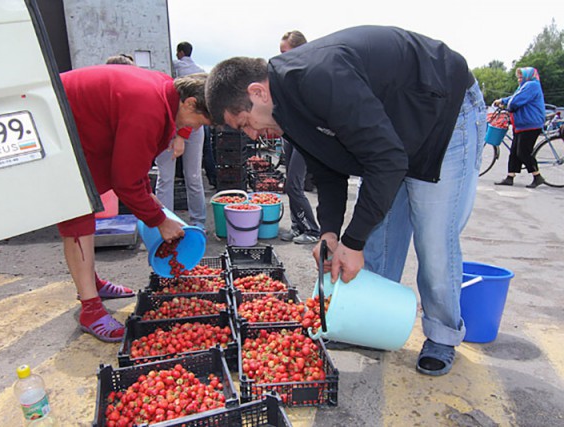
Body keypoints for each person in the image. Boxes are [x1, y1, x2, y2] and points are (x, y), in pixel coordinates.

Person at [205, 25, 486, 376]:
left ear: (258, 92)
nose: (251, 133)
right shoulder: (286, 111)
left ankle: (442, 335)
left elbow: (386, 160)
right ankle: (369, 320)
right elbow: (328, 170)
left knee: (434, 239)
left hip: (443, 114)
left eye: (245, 122)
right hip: (398, 134)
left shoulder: (318, 77)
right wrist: (330, 233)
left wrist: (352, 242)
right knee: (379, 239)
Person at [59, 65, 210, 342]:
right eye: (199, 121)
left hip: (77, 127)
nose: (194, 128)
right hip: (57, 126)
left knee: (85, 206)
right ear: (190, 103)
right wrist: (159, 220)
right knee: (78, 214)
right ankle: (90, 310)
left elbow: (134, 166)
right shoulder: (148, 108)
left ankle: (91, 283)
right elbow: (125, 181)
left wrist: (150, 202)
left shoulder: (165, 93)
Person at [155, 41, 207, 228]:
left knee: (182, 176)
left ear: (180, 53)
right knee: (175, 176)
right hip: (170, 124)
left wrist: (181, 136)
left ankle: (196, 223)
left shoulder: (177, 67)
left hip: (191, 128)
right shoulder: (196, 69)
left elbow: (194, 112)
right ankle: (166, 222)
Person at [277, 30, 320, 244]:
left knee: (294, 183)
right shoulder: (289, 73)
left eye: (285, 51)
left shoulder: (309, 73)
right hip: (291, 135)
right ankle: (297, 226)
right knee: (290, 183)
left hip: (305, 137)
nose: (281, 55)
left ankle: (312, 230)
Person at [493, 67, 546, 188]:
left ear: (528, 76)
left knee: (523, 152)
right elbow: (514, 96)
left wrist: (509, 106)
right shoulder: (524, 86)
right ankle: (510, 177)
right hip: (522, 125)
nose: (519, 79)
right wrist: (502, 100)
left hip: (530, 124)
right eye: (518, 77)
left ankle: (537, 176)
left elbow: (516, 101)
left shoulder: (532, 85)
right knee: (514, 152)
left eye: (521, 77)